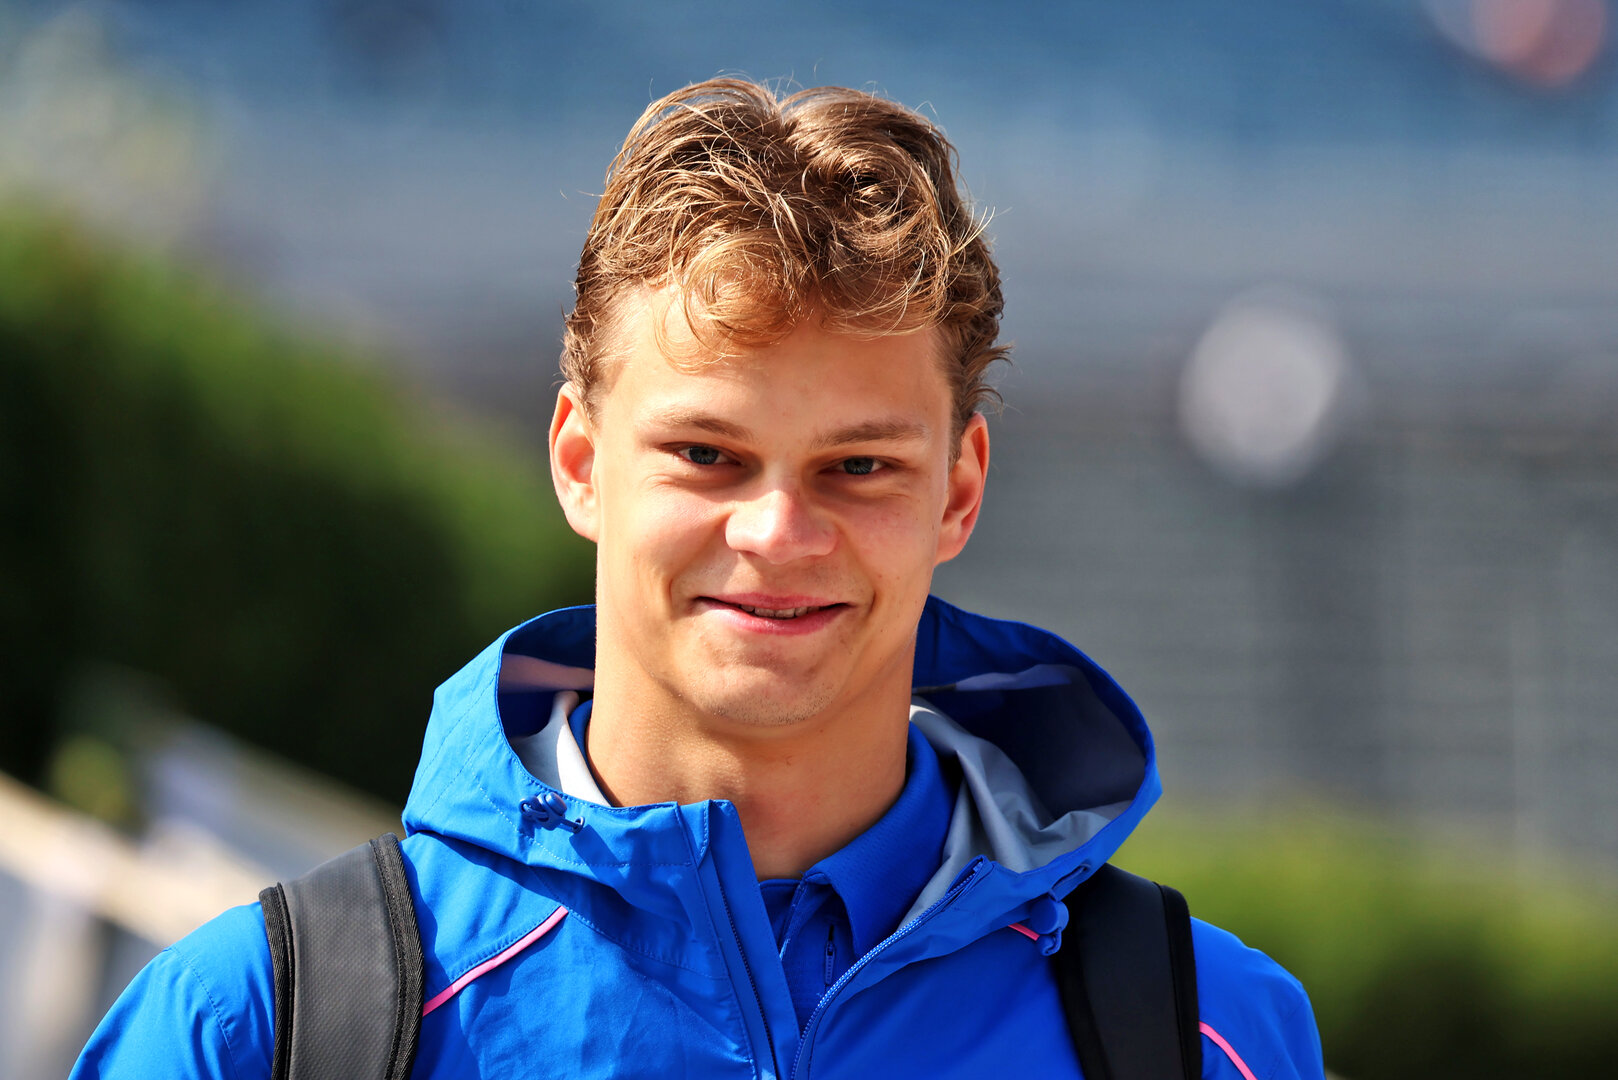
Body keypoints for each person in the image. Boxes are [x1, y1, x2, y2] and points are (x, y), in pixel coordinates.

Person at [73, 77, 1325, 1079]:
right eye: (707, 454)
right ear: (579, 460)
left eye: (858, 466)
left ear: (958, 488)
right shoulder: (259, 1029)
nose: (778, 531)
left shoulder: (1210, 1035)